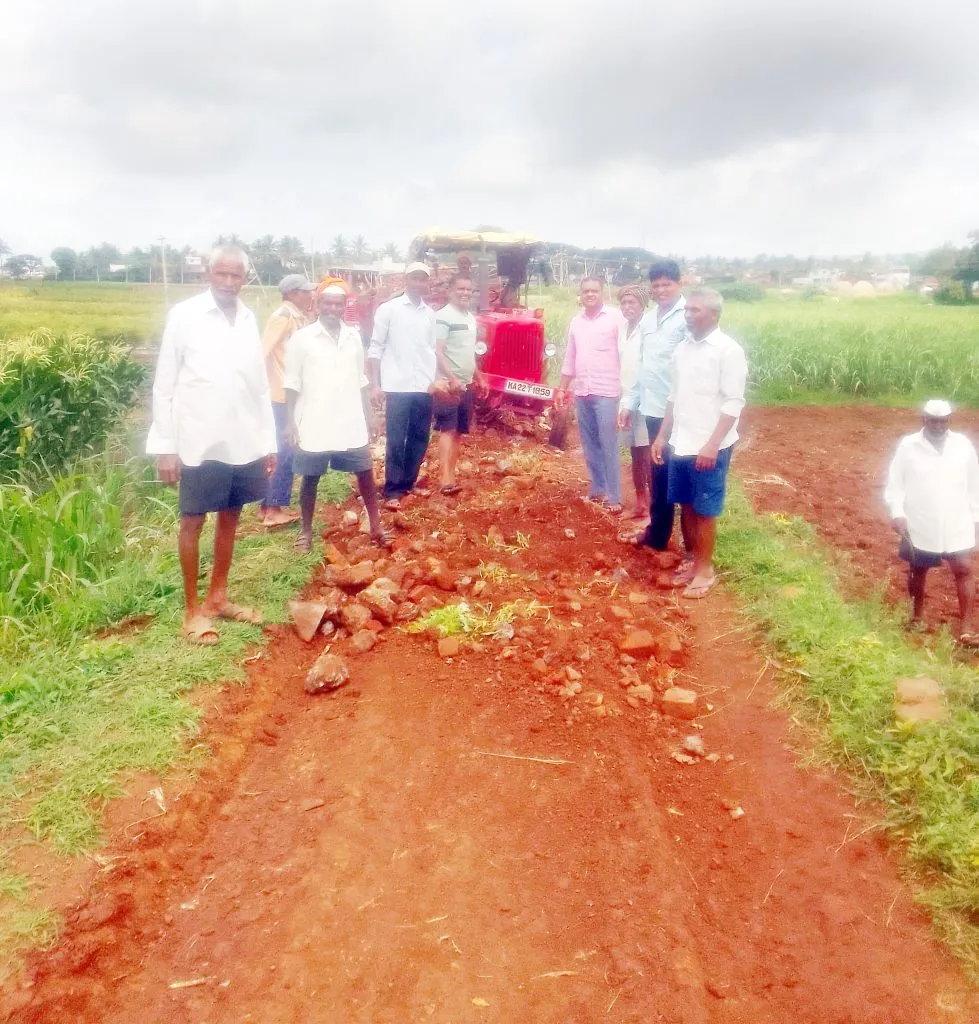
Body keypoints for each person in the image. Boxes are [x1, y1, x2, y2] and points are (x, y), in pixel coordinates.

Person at [147, 245, 276, 644]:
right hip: (198, 438)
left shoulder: (249, 318)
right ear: (208, 275)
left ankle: (218, 597)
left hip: (241, 437)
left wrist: (267, 440)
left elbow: (257, 384)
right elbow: (165, 383)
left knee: (232, 515)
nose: (228, 283)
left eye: (235, 276)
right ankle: (191, 612)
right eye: (221, 274)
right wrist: (166, 446)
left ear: (244, 279)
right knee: (192, 520)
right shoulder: (184, 316)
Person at [652, 287, 747, 599]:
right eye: (687, 310)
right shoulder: (683, 348)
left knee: (705, 508)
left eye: (695, 310)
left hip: (710, 445)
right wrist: (662, 435)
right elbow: (673, 397)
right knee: (687, 504)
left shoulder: (727, 351)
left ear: (714, 315)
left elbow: (734, 403)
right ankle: (694, 564)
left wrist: (712, 444)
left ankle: (705, 571)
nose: (688, 315)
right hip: (681, 441)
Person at [284, 284, 390, 552]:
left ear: (344, 307)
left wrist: (370, 416)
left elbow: (361, 381)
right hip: (313, 421)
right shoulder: (302, 339)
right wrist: (289, 422)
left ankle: (376, 526)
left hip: (349, 420)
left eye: (338, 305)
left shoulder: (353, 336)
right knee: (310, 477)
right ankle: (305, 532)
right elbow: (291, 384)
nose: (332, 309)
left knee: (365, 473)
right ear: (317, 305)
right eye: (327, 304)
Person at [884, 399, 979, 641]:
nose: (939, 426)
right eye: (933, 421)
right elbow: (896, 483)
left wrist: (976, 517)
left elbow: (974, 485)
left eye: (943, 421)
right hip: (920, 520)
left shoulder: (962, 445)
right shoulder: (908, 446)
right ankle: (916, 617)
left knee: (964, 568)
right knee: (918, 569)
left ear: (949, 421)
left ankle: (967, 627)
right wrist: (897, 513)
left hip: (956, 520)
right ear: (924, 420)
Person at [619, 259, 688, 548]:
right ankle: (657, 535)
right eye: (656, 285)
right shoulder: (649, 320)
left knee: (681, 477)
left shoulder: (687, 317)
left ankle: (692, 548)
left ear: (679, 284)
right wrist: (629, 401)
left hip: (680, 412)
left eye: (666, 284)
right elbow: (642, 365)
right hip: (652, 410)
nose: (661, 290)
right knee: (658, 475)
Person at [366, 262, 437, 508]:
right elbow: (375, 347)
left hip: (423, 386)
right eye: (415, 278)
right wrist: (375, 385)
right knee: (396, 438)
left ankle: (408, 483)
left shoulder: (429, 314)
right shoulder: (389, 310)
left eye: (423, 279)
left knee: (420, 436)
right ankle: (392, 490)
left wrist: (433, 381)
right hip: (397, 384)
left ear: (427, 282)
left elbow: (430, 351)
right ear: (406, 281)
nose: (419, 283)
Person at [555, 277, 625, 513]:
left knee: (608, 443)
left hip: (608, 391)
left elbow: (626, 354)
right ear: (580, 295)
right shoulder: (577, 322)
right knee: (589, 443)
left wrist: (626, 391)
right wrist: (563, 388)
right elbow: (570, 358)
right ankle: (598, 488)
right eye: (585, 291)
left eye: (594, 290)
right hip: (583, 390)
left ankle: (614, 497)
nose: (590, 294)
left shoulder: (616, 318)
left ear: (602, 293)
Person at [260, 273, 314, 527]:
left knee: (287, 448)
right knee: (288, 449)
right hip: (282, 395)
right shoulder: (282, 317)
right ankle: (273, 508)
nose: (310, 295)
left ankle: (268, 505)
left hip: (291, 393)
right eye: (306, 292)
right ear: (293, 293)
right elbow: (262, 352)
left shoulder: (296, 317)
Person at [433, 274, 487, 494]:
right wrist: (451, 378)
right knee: (447, 429)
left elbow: (468, 353)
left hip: (465, 384)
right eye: (461, 289)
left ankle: (451, 476)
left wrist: (480, 376)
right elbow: (437, 351)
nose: (465, 293)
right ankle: (444, 480)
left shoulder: (469, 318)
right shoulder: (443, 316)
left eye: (468, 289)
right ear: (450, 290)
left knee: (458, 432)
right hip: (448, 385)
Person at [614, 284, 651, 519]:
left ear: (643, 305)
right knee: (635, 453)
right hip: (626, 398)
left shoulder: (649, 329)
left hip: (646, 400)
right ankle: (640, 504)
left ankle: (653, 509)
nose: (627, 307)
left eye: (633, 303)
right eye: (624, 303)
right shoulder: (623, 329)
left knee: (648, 454)